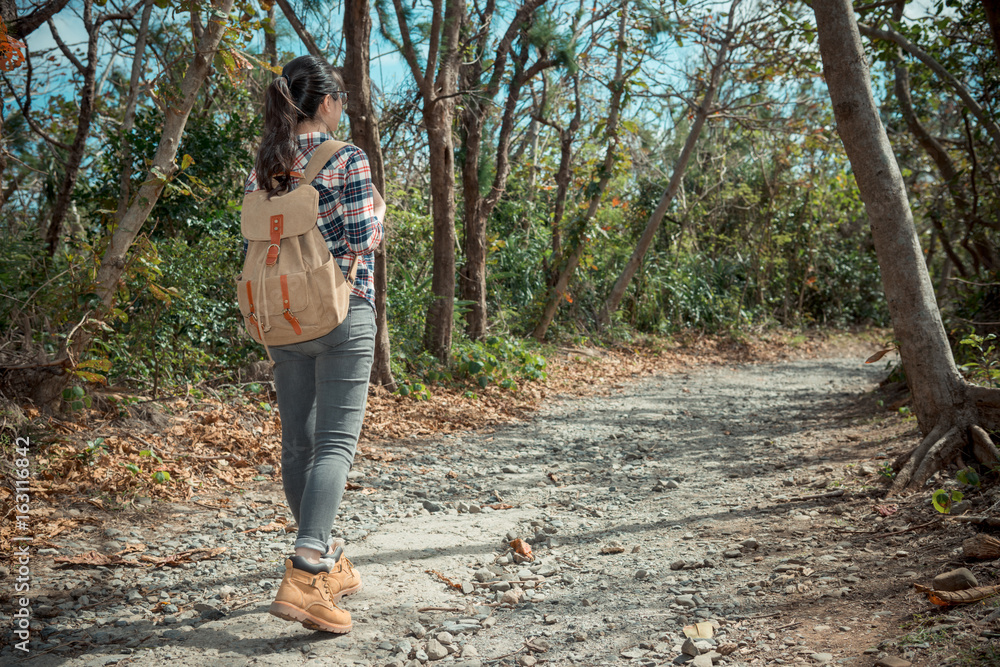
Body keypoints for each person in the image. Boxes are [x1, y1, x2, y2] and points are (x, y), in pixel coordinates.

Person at [242, 54, 385, 634]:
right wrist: (378, 208)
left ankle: (324, 556)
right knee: (334, 447)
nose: (343, 108)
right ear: (326, 103)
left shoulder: (265, 166)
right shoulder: (346, 156)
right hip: (342, 313)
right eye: (341, 99)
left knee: (298, 446)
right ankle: (307, 571)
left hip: (281, 321)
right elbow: (362, 240)